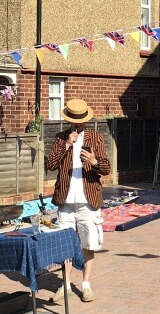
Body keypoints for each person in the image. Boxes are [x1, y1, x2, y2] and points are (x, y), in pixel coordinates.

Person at [45, 98, 111, 303]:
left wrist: (94, 161)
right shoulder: (61, 138)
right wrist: (66, 144)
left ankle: (86, 285)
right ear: (69, 120)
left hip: (88, 198)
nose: (77, 125)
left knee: (88, 243)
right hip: (66, 199)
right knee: (65, 244)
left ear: (85, 120)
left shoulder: (95, 137)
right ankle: (65, 285)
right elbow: (51, 164)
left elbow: (106, 168)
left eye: (80, 121)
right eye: (74, 121)